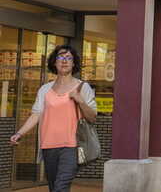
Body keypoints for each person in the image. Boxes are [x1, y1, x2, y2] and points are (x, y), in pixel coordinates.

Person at [10, 45, 97, 192]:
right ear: (54, 63)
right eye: (60, 58)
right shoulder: (45, 89)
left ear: (74, 63)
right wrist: (19, 133)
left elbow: (93, 117)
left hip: (71, 146)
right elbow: (36, 114)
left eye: (68, 58)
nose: (64, 61)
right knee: (54, 187)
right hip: (48, 145)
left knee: (60, 187)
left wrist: (80, 100)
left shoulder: (82, 87)